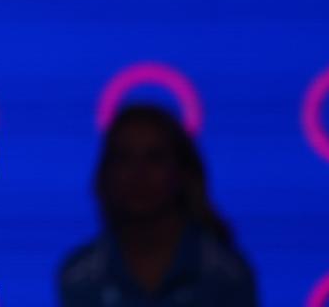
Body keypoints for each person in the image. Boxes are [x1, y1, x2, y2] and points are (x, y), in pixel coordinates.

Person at [58, 105, 259, 307]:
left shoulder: (226, 275)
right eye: (124, 158)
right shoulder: (79, 277)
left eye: (155, 157)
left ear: (182, 172)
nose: (139, 174)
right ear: (106, 173)